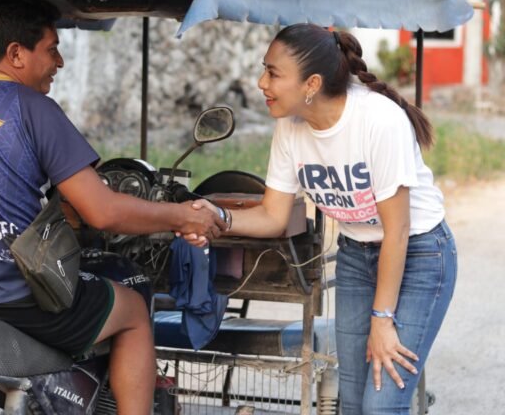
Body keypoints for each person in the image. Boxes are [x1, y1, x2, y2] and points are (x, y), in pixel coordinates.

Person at [0, 0, 225, 415]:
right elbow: (104, 211)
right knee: (132, 310)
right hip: (12, 297)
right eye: (51, 50)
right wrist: (181, 215)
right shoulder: (34, 108)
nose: (58, 63)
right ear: (16, 54)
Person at [195, 23, 457, 415]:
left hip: (418, 255)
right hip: (357, 253)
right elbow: (272, 216)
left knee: (382, 403)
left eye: (273, 73)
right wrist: (217, 217)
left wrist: (381, 320)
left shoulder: (378, 120)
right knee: (350, 401)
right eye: (264, 69)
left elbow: (398, 231)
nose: (261, 82)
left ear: (311, 83)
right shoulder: (290, 126)